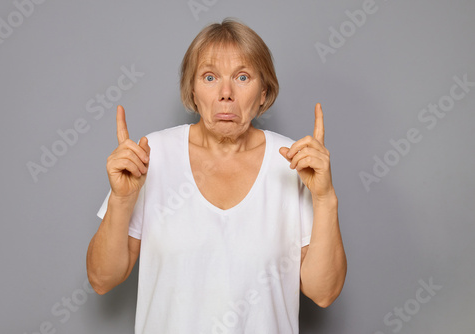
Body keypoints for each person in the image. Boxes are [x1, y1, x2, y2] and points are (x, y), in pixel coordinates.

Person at [87, 18, 346, 333]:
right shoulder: (150, 155)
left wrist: (325, 198)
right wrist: (121, 198)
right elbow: (102, 279)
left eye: (242, 76)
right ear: (193, 91)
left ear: (264, 92)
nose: (226, 93)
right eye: (210, 77)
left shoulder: (293, 163)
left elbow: (323, 293)